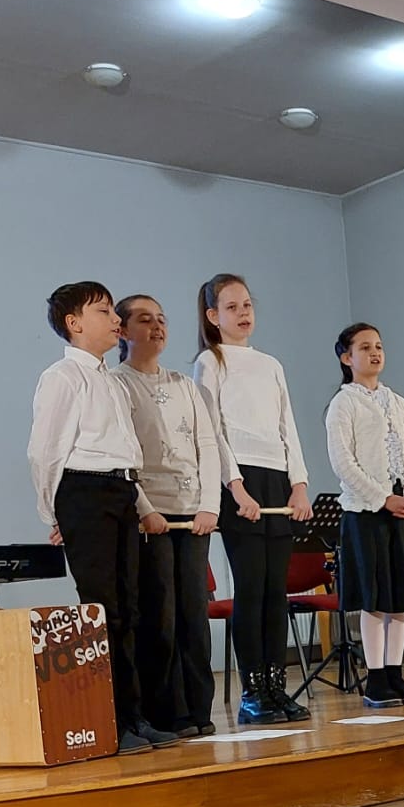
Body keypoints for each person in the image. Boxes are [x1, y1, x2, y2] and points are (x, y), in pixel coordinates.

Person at [26, 281, 175, 754]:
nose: (115, 320)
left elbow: (125, 454)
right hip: (83, 492)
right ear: (74, 323)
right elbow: (45, 451)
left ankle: (134, 715)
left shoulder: (111, 380)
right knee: (101, 608)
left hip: (120, 491)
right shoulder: (62, 377)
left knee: (129, 607)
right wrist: (52, 510)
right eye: (104, 311)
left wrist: (144, 507)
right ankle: (110, 721)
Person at [192, 273, 315, 725]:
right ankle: (253, 692)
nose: (243, 313)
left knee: (275, 592)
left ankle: (277, 688)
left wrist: (299, 484)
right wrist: (235, 485)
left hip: (277, 479)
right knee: (251, 590)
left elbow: (288, 427)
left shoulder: (271, 364)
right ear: (213, 316)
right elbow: (213, 429)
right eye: (232, 307)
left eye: (247, 305)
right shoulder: (210, 361)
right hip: (238, 482)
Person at [114, 294, 234, 739]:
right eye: (145, 319)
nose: (157, 326)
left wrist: (210, 505)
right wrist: (145, 509)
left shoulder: (184, 384)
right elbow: (123, 454)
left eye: (162, 319)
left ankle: (199, 710)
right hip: (151, 515)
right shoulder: (117, 384)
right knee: (159, 614)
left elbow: (207, 444)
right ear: (123, 331)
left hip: (193, 514)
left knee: (193, 614)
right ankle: (166, 712)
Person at [325, 322, 404, 708]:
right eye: (365, 347)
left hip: (402, 509)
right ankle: (375, 677)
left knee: (399, 595)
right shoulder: (344, 403)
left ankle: (395, 673)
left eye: (378, 346)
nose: (375, 353)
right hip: (367, 512)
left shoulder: (398, 402)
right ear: (347, 357)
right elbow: (344, 463)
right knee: (374, 597)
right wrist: (382, 499)